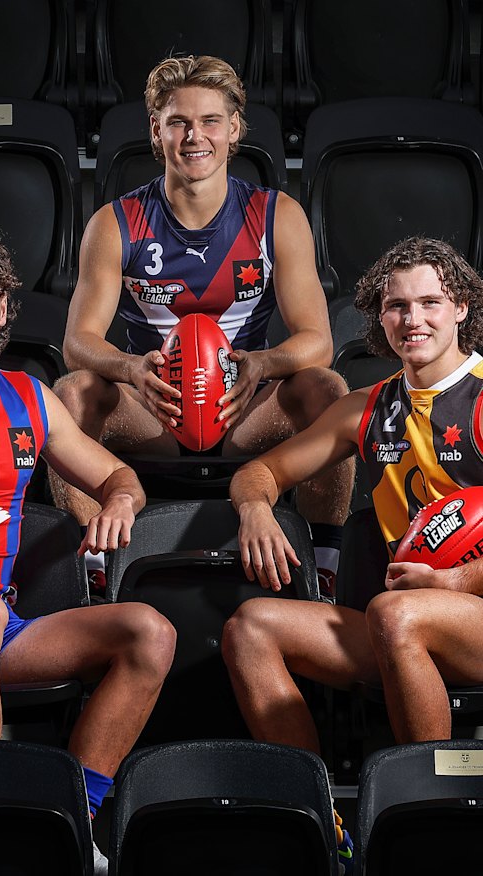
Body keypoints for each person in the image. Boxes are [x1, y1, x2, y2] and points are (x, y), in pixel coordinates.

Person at [0, 228, 177, 872]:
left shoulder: (26, 396)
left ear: (5, 313)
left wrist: (117, 503)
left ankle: (70, 821)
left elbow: (119, 477)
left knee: (148, 632)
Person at [221, 236, 483, 874]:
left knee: (397, 614)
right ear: (378, 316)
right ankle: (327, 826)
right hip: (408, 621)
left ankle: (431, 823)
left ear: (462, 309)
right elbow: (258, 473)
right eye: (396, 306)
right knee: (250, 627)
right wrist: (255, 508)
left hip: (464, 610)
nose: (412, 319)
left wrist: (457, 582)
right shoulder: (367, 408)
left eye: (430, 302)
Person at [50, 54, 354, 601]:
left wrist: (262, 364)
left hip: (245, 409)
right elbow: (77, 342)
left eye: (210, 121)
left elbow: (318, 340)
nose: (196, 137)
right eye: (179, 122)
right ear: (156, 130)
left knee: (327, 389)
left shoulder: (274, 215)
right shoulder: (115, 224)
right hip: (155, 410)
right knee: (70, 395)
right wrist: (129, 368)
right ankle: (89, 570)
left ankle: (324, 563)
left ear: (234, 128)